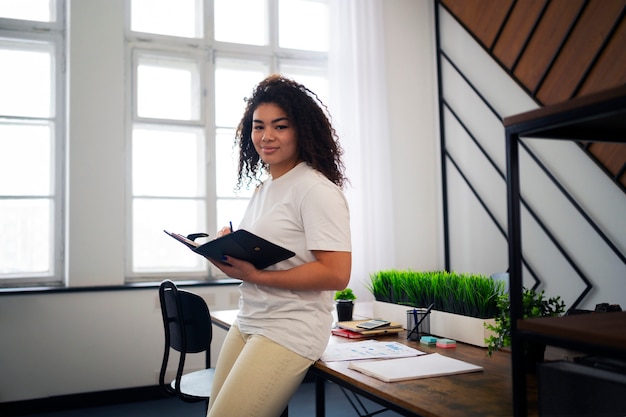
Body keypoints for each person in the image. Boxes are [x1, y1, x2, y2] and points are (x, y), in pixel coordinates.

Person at [206, 74, 352, 417]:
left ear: (301, 130)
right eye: (258, 126)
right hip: (251, 317)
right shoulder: (265, 188)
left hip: (290, 327)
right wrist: (229, 253)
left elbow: (336, 274)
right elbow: (266, 258)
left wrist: (256, 275)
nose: (266, 136)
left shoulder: (315, 189)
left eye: (280, 126)